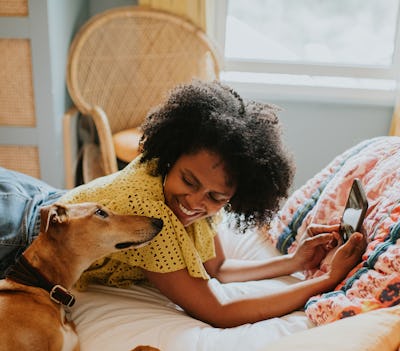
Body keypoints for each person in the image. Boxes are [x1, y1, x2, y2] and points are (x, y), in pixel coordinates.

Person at [0, 80, 366, 328]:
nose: (194, 202)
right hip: (21, 235)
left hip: (44, 200)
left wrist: (294, 261)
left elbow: (216, 268)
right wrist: (325, 281)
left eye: (215, 197)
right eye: (188, 181)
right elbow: (218, 311)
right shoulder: (151, 215)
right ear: (170, 157)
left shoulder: (195, 204)